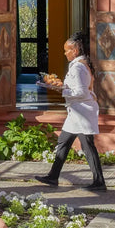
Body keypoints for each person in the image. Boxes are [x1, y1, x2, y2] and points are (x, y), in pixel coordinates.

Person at [35, 31, 107, 191]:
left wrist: (62, 91)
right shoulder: (80, 65)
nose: (65, 53)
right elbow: (80, 89)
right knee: (63, 143)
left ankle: (99, 182)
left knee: (88, 146)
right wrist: (59, 87)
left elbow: (81, 92)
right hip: (76, 113)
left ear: (75, 50)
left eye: (67, 50)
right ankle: (53, 177)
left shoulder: (78, 68)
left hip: (82, 113)